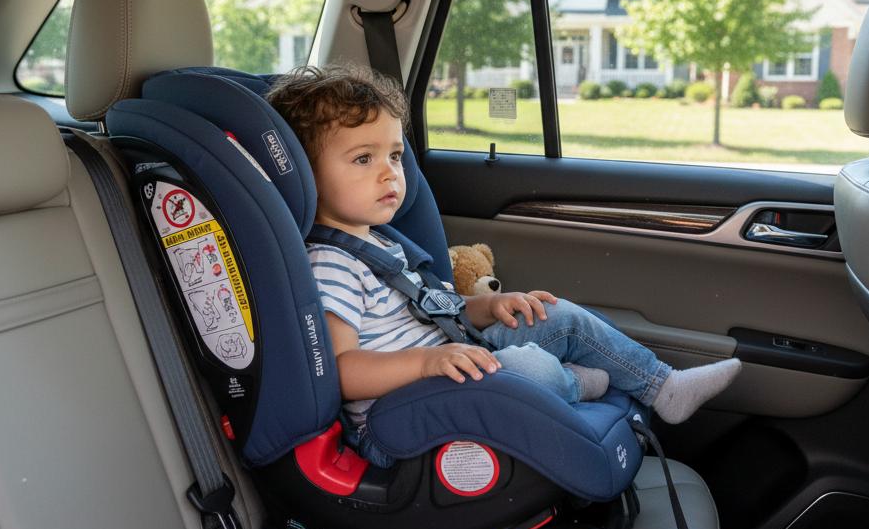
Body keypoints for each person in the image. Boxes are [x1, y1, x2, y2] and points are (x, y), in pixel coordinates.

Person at [266, 63, 741, 464]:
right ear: (304, 176)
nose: (390, 172)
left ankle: (664, 386)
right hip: (404, 413)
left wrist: (489, 307)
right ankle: (572, 384)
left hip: (453, 360)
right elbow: (342, 370)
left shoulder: (383, 242)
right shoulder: (330, 264)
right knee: (524, 367)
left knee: (556, 315)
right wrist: (428, 361)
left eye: (394, 155)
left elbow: (440, 308)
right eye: (363, 159)